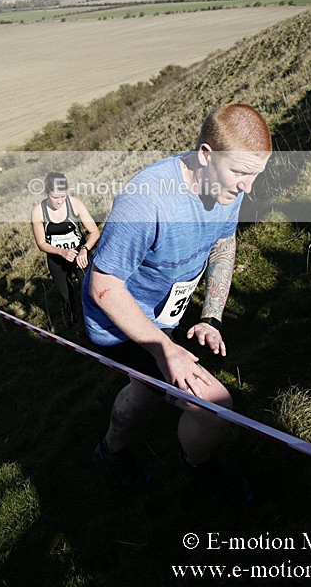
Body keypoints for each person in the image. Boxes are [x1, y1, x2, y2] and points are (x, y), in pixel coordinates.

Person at [81, 103, 272, 500]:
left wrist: (213, 316)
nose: (247, 188)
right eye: (240, 173)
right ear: (205, 154)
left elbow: (223, 241)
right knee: (215, 407)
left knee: (146, 387)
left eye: (256, 176)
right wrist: (165, 349)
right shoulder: (146, 202)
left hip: (164, 313)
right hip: (118, 324)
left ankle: (109, 452)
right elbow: (103, 286)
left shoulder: (226, 184)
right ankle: (198, 467)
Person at [32, 171, 100, 326]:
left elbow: (94, 232)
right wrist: (61, 251)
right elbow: (41, 243)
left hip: (79, 254)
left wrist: (84, 248)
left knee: (89, 289)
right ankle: (72, 324)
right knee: (66, 294)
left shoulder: (75, 204)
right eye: (55, 197)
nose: (59, 201)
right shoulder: (38, 212)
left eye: (63, 196)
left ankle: (96, 321)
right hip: (57, 258)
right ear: (47, 193)